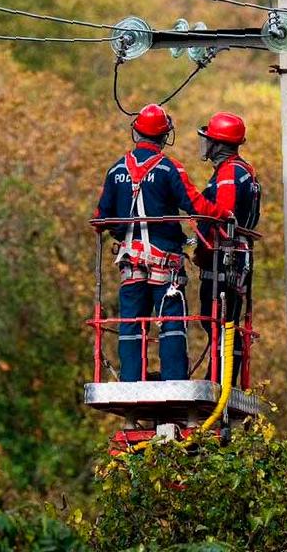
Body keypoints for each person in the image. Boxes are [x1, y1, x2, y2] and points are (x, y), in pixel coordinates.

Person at [94, 103, 232, 385]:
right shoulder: (170, 168)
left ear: (137, 133)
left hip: (129, 261)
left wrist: (120, 232)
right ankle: (174, 380)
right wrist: (223, 215)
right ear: (164, 135)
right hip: (165, 262)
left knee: (132, 323)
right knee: (171, 323)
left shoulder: (116, 170)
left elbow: (101, 216)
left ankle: (131, 380)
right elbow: (195, 204)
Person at [193, 112, 261, 386]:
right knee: (222, 321)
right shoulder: (243, 171)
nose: (205, 145)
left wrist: (205, 247)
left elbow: (223, 215)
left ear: (219, 144)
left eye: (209, 140)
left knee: (220, 320)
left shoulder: (230, 174)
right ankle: (219, 376)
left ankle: (220, 380)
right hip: (235, 256)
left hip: (225, 258)